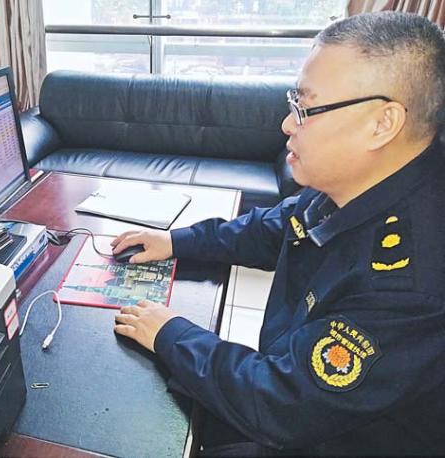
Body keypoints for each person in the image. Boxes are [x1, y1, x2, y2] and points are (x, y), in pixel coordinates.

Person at [111, 11, 445, 457]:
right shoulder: (356, 183)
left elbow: (282, 403)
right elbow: (278, 226)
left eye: (305, 108)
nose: (288, 124)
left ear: (382, 123)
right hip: (303, 397)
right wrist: (176, 241)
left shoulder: (412, 282)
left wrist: (172, 334)